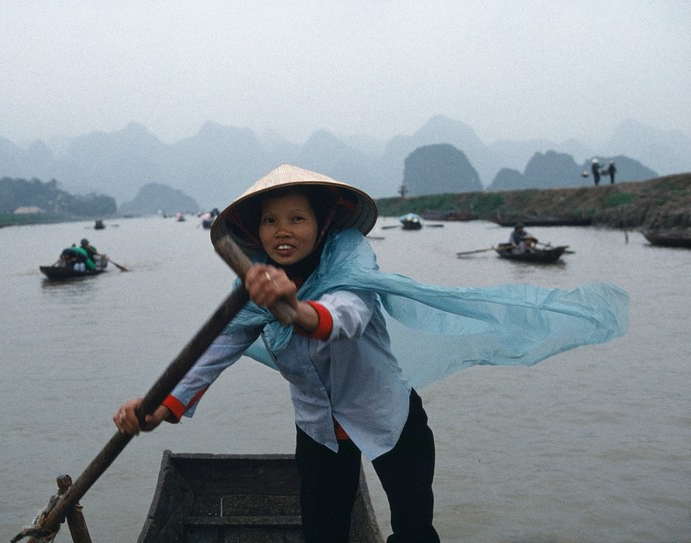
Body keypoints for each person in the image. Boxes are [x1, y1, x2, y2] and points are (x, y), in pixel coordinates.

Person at [114, 164, 628, 543]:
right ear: (255, 231)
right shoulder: (254, 285)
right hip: (318, 429)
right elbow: (216, 348)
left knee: (413, 527)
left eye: (297, 218)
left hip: (390, 415)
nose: (283, 230)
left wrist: (294, 305)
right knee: (323, 533)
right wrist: (160, 407)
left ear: (321, 224)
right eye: (270, 221)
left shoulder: (349, 257)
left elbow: (347, 315)